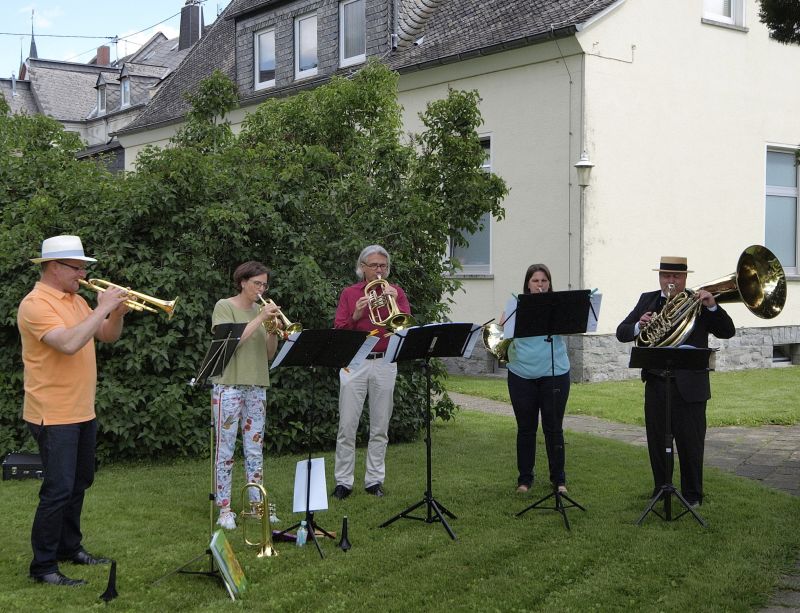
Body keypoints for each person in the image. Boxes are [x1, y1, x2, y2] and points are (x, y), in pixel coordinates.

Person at [18, 235, 129, 587]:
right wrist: (100, 308)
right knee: (58, 489)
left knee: (80, 482)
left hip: (82, 409)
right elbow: (67, 343)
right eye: (77, 267)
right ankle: (44, 567)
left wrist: (116, 313)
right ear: (54, 267)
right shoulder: (35, 304)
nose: (82, 273)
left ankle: (70, 547)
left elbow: (107, 336)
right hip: (52, 412)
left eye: (83, 267)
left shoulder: (77, 300)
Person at [616, 255, 735, 507]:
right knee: (658, 441)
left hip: (691, 386)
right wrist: (639, 325)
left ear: (685, 278)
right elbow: (621, 332)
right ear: (659, 277)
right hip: (657, 383)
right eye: (666, 275)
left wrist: (713, 305)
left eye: (676, 276)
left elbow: (727, 331)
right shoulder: (646, 299)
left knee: (691, 443)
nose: (670, 281)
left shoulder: (699, 301)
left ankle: (693, 496)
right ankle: (662, 489)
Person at [332, 245, 410, 499]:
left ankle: (374, 481)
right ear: (362, 268)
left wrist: (394, 299)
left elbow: (404, 325)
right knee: (347, 425)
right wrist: (356, 313)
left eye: (383, 266)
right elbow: (339, 329)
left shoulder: (395, 292)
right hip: (355, 361)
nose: (379, 270)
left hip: (386, 360)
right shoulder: (350, 293)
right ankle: (343, 482)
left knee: (380, 426)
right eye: (374, 265)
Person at [211, 261, 282, 530]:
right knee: (225, 449)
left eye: (264, 284)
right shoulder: (224, 306)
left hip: (256, 386)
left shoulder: (261, 312)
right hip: (228, 385)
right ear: (242, 282)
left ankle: (257, 504)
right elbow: (231, 343)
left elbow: (268, 354)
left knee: (255, 449)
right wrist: (261, 319)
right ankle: (225, 509)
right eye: (257, 284)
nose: (261, 289)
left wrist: (273, 330)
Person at [502, 264, 571, 495]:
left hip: (555, 373)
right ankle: (524, 479)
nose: (540, 285)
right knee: (526, 429)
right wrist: (505, 323)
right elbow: (503, 333)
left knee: (554, 428)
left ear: (549, 284)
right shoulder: (516, 305)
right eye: (535, 281)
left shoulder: (558, 307)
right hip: (521, 373)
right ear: (527, 284)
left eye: (544, 281)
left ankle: (559, 480)